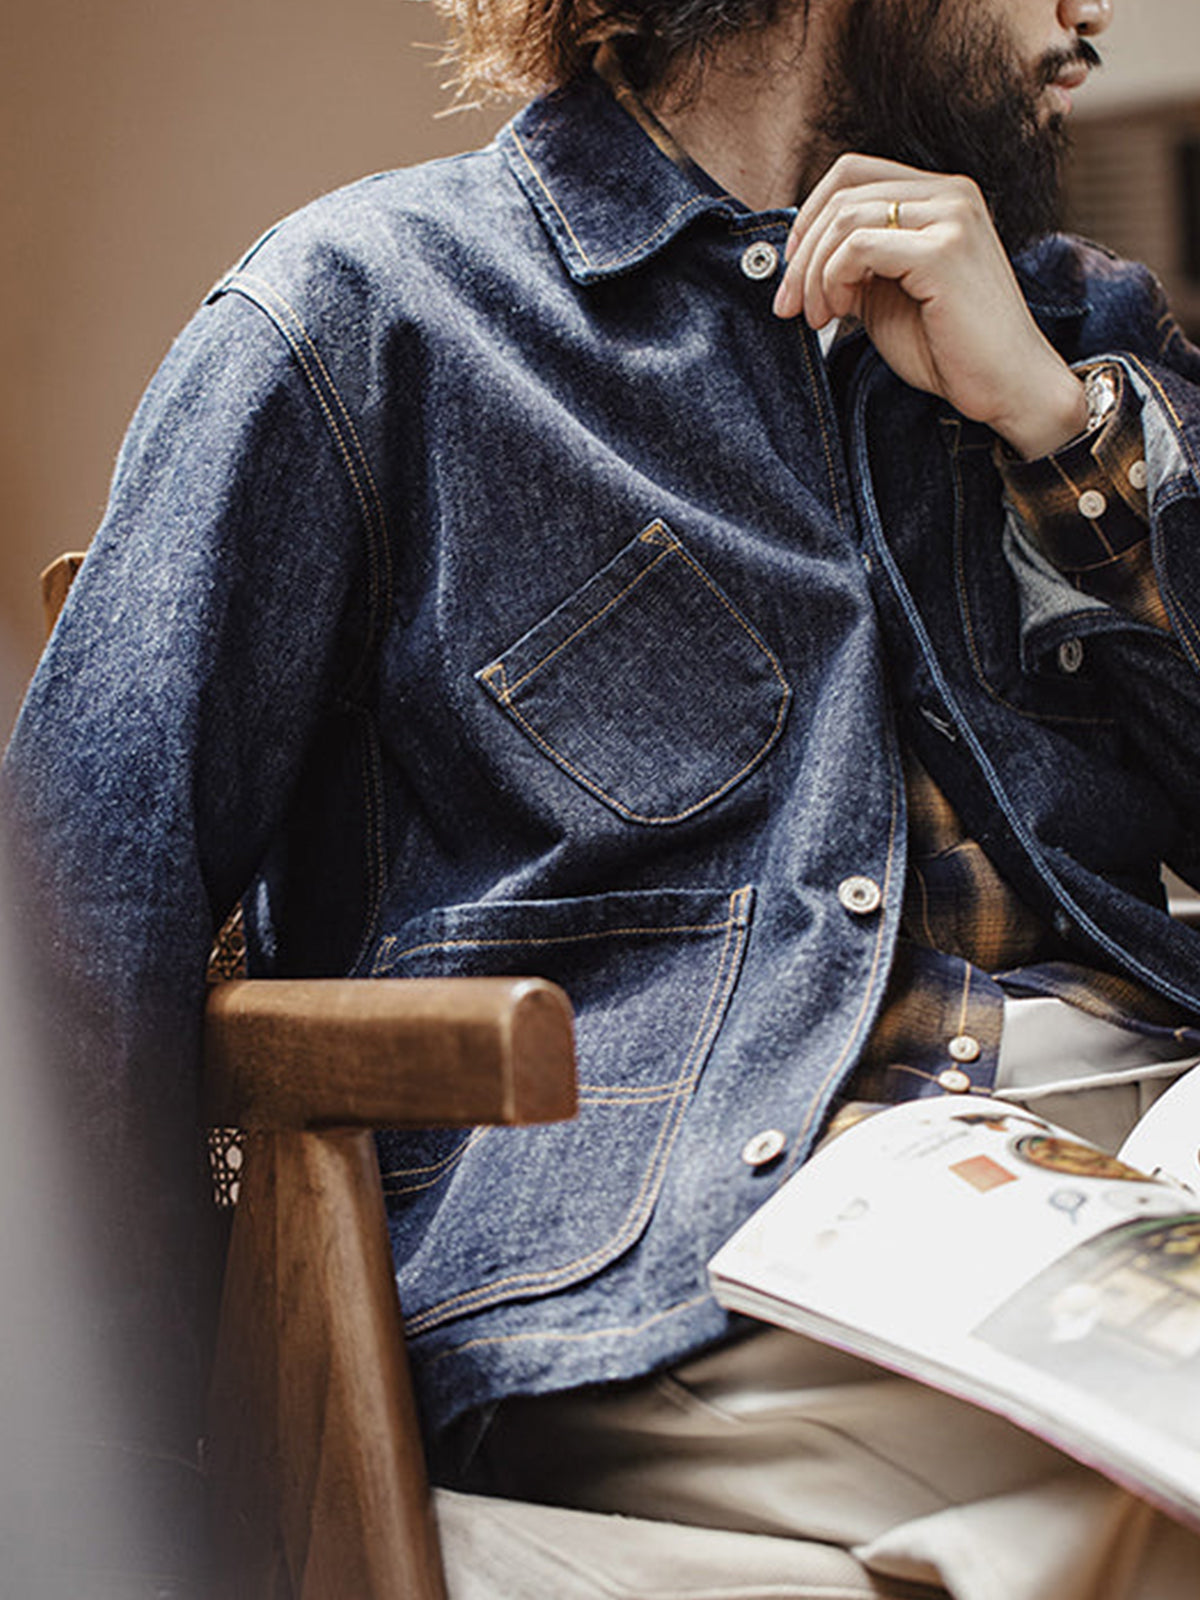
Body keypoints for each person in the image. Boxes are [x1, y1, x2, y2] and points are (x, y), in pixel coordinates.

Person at [6, 0, 1200, 1592]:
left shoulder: (1077, 326)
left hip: (1149, 1157)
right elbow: (76, 923)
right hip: (715, 1241)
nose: (1091, 11)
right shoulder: (369, 314)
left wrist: (1057, 430)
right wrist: (132, 1490)